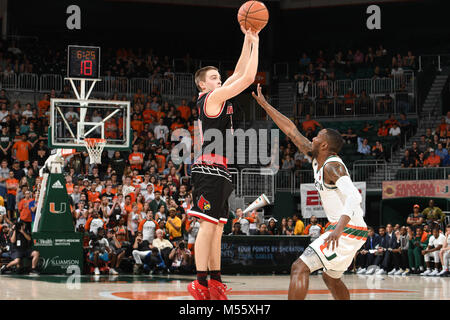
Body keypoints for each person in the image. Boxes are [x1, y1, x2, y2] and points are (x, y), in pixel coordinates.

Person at [252, 84, 367, 300]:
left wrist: (337, 230)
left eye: (317, 137)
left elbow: (354, 196)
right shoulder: (316, 156)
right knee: (330, 278)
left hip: (346, 229)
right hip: (350, 230)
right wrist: (265, 105)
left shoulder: (333, 166)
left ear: (324, 146)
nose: (312, 138)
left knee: (299, 267)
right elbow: (290, 130)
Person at [187, 26, 260, 300]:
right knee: (207, 226)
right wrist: (256, 43)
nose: (221, 80)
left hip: (221, 169)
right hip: (208, 168)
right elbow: (249, 76)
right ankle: (199, 282)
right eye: (215, 77)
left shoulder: (219, 94)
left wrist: (249, 39)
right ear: (203, 84)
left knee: (217, 228)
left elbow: (240, 72)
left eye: (220, 77)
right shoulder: (212, 98)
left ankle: (215, 282)